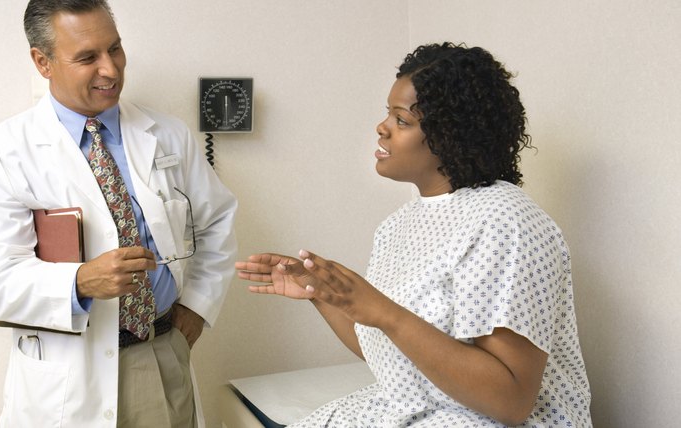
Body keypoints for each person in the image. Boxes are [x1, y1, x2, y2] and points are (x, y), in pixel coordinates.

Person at [236, 42, 591, 427]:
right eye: (387, 114)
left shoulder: (507, 222)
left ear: (451, 135)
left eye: (402, 120)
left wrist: (385, 312)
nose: (382, 128)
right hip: (417, 411)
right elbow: (391, 353)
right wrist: (323, 295)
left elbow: (510, 400)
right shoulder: (397, 226)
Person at [0, 1, 237, 426]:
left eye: (116, 49)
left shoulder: (166, 136)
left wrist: (196, 308)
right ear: (43, 62)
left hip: (159, 353)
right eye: (88, 57)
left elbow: (216, 221)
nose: (111, 69)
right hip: (67, 372)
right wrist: (80, 280)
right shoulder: (6, 151)